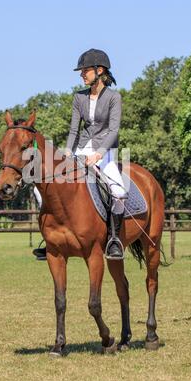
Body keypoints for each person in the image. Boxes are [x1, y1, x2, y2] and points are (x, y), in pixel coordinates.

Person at [33, 48, 127, 260]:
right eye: (81, 71)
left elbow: (113, 130)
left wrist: (100, 154)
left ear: (99, 70)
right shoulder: (79, 97)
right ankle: (49, 238)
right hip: (80, 150)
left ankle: (113, 239)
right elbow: (74, 130)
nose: (81, 74)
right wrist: (67, 151)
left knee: (119, 192)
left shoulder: (114, 97)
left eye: (85, 70)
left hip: (105, 152)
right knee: (46, 188)